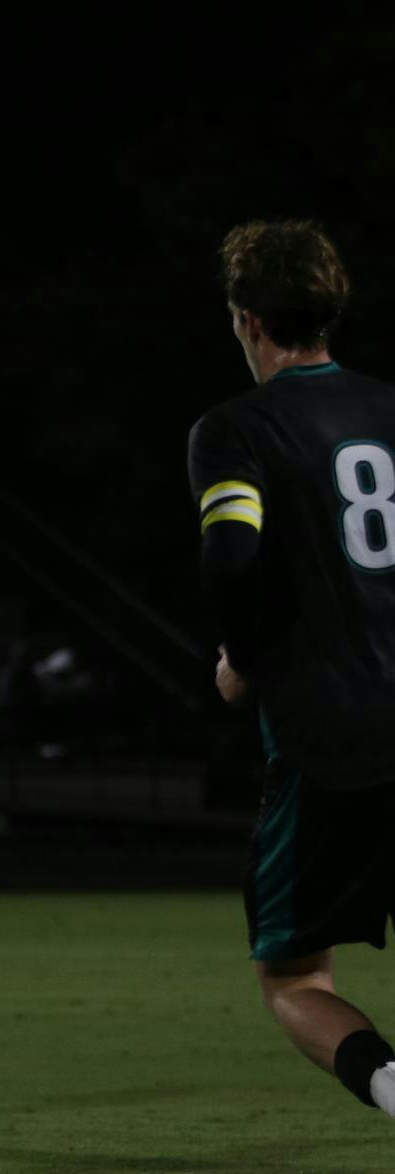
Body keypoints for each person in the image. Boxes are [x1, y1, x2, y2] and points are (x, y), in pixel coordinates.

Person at [189, 219, 395, 1121]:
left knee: (295, 976)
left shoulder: (237, 429)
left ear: (247, 322)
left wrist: (242, 659)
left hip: (331, 740)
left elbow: (231, 555)